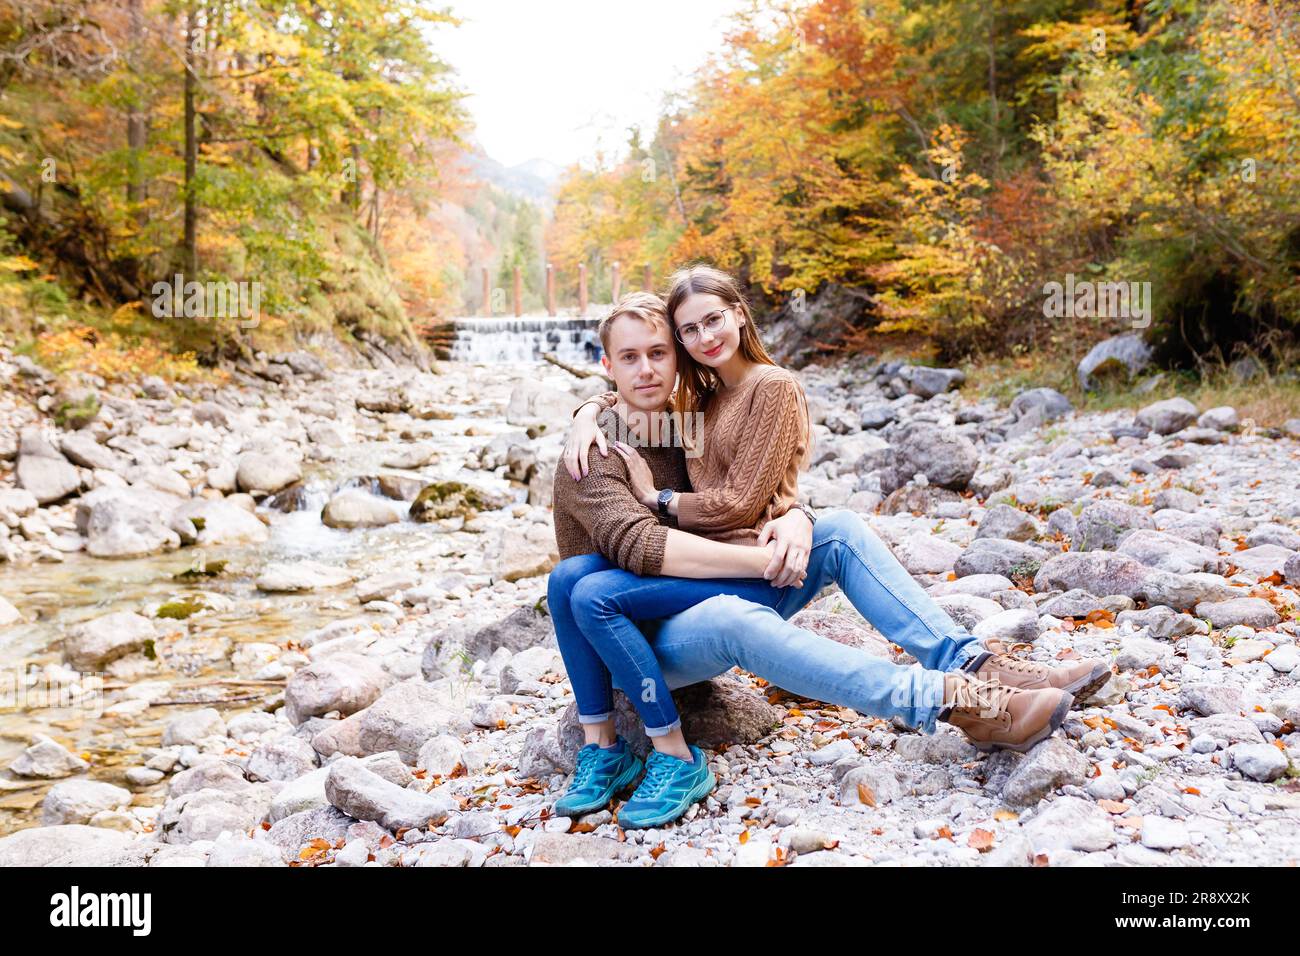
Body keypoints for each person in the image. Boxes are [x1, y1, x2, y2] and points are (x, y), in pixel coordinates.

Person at [548, 288, 1105, 829]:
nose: (646, 370)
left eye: (658, 353)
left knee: (837, 528)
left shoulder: (677, 419)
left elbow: (742, 494)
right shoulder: (595, 451)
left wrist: (797, 517)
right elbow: (639, 545)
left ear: (677, 356)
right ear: (607, 363)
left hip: (693, 588)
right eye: (630, 358)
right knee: (612, 590)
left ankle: (973, 663)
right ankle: (951, 701)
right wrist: (758, 559)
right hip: (638, 642)